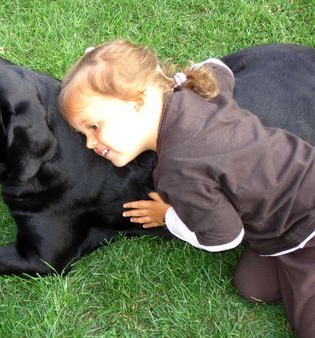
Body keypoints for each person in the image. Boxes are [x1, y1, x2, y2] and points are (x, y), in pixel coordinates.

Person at [59, 39, 315, 337]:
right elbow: (219, 70)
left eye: (93, 126)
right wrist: (173, 77)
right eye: (83, 134)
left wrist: (166, 215)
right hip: (289, 203)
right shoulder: (194, 91)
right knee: (252, 287)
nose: (90, 143)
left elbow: (224, 237)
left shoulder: (179, 169)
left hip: (306, 225)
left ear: (137, 101)